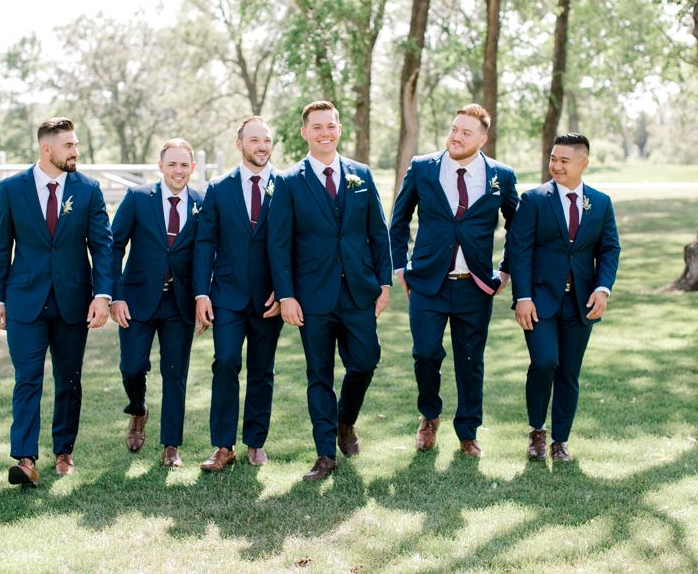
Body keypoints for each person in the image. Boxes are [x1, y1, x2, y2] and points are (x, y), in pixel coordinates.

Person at [268, 100, 392, 481]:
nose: (325, 132)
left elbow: (377, 232)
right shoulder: (289, 181)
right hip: (313, 296)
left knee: (366, 361)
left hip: (358, 290)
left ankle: (345, 421)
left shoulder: (361, 174)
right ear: (305, 132)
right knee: (319, 374)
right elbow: (279, 242)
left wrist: (384, 282)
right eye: (317, 126)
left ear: (339, 129)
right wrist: (286, 294)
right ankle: (324, 454)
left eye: (331, 125)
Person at [0, 117, 113, 488]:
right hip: (24, 299)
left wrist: (102, 296)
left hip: (73, 300)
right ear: (47, 148)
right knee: (27, 378)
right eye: (68, 145)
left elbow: (102, 247)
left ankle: (64, 451)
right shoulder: (12, 189)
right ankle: (25, 459)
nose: (76, 151)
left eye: (76, 144)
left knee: (69, 380)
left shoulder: (88, 189)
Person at [389, 103, 519, 458]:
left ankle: (468, 431)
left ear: (482, 138)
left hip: (475, 285)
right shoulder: (422, 168)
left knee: (470, 360)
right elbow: (398, 220)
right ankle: (429, 415)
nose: (457, 136)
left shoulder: (501, 176)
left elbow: (518, 227)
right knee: (425, 353)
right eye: (454, 129)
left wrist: (505, 269)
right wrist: (400, 266)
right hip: (428, 283)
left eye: (466, 132)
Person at [507, 133, 620, 462]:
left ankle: (560, 441)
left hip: (581, 303)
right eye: (553, 159)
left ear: (583, 164)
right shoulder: (534, 200)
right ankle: (536, 432)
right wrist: (523, 296)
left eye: (563, 160)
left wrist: (603, 287)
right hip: (540, 301)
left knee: (569, 372)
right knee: (544, 362)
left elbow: (609, 248)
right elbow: (520, 249)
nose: (555, 165)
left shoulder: (600, 203)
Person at [193, 116, 283, 472]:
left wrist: (285, 289)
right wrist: (201, 293)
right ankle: (222, 446)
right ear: (240, 144)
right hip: (226, 295)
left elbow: (292, 241)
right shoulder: (218, 188)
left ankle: (256, 443)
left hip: (268, 297)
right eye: (255, 140)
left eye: (267, 140)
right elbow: (205, 243)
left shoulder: (285, 185)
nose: (262, 146)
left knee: (263, 370)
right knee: (226, 362)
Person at [109, 139, 203, 468]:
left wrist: (203, 297)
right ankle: (137, 409)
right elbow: (114, 246)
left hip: (180, 303)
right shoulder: (138, 199)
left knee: (175, 374)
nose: (178, 170)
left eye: (184, 165)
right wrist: (115, 295)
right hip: (136, 300)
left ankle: (171, 446)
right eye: (172, 164)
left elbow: (207, 255)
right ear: (160, 167)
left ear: (193, 168)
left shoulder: (201, 203)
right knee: (132, 367)